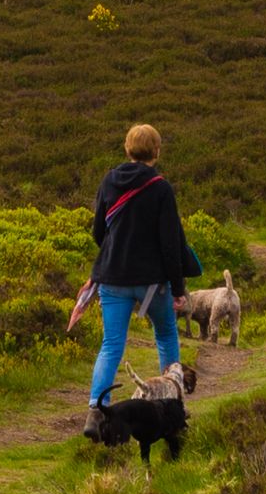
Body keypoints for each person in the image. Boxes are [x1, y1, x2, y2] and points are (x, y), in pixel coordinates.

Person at [68, 121, 200, 406]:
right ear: (157, 150)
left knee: (111, 344)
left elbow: (98, 233)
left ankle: (96, 408)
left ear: (128, 149)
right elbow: (170, 244)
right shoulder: (161, 188)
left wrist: (117, 253)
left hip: (113, 278)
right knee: (165, 335)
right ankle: (170, 402)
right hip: (152, 283)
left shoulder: (109, 180)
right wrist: (178, 288)